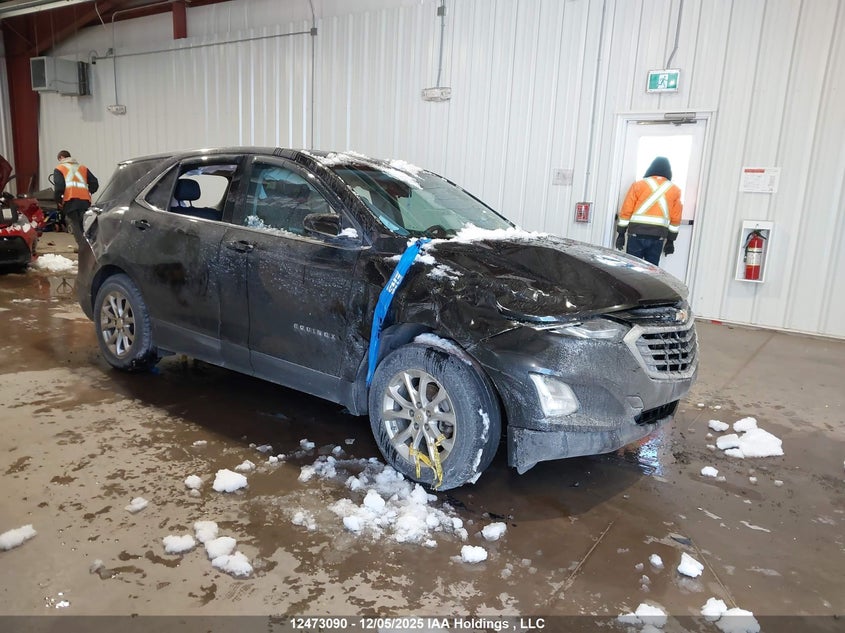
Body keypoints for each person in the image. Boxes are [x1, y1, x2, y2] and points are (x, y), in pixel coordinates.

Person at [615, 156, 682, 266]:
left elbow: (626, 210)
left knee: (631, 270)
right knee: (651, 272)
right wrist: (671, 241)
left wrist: (621, 234)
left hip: (636, 235)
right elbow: (676, 219)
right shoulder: (675, 190)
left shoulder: (638, 185)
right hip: (658, 237)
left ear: (651, 168)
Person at [53, 150, 99, 244]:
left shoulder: (59, 168)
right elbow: (94, 183)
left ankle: (83, 247)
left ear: (61, 157)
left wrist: (58, 200)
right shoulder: (82, 167)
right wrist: (88, 192)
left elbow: (59, 187)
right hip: (84, 201)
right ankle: (91, 245)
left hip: (70, 200)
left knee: (76, 225)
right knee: (85, 224)